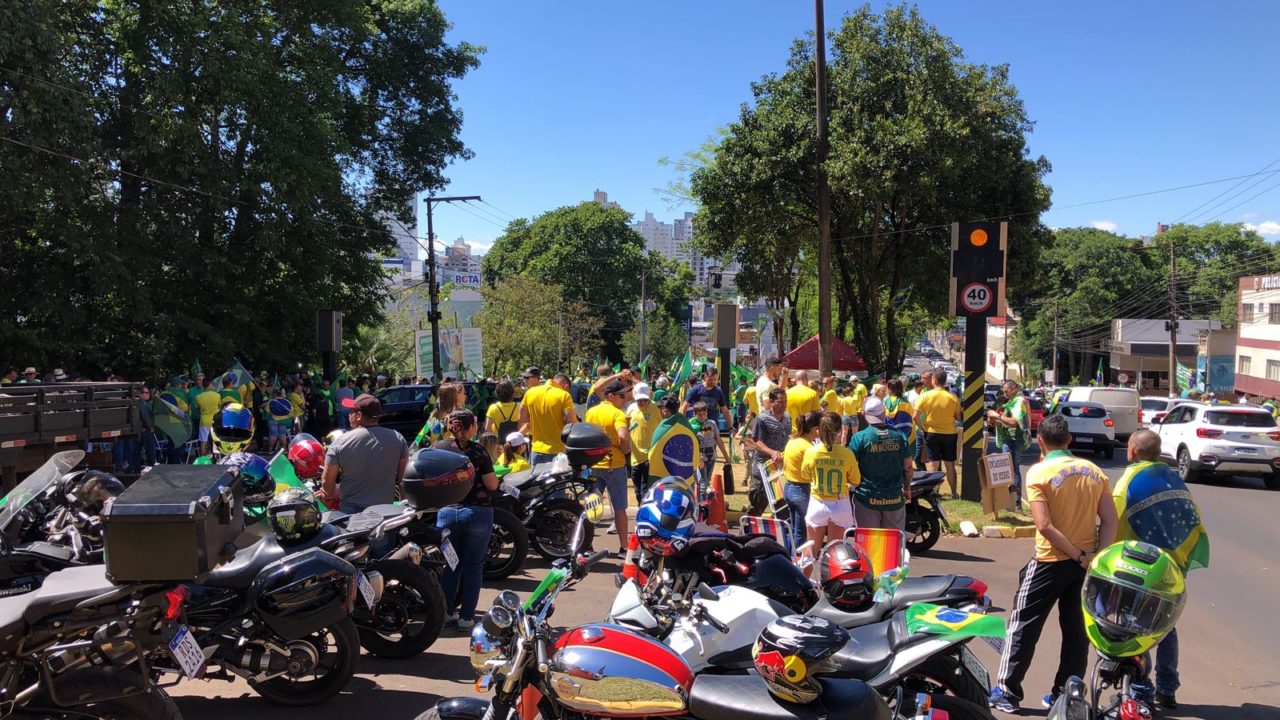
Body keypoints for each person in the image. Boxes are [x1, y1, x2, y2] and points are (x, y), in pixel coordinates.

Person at [989, 414, 1118, 714]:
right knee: (1077, 632)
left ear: (1040, 441)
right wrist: (1096, 559)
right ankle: (1065, 693)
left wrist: (1076, 554)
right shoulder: (1094, 472)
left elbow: (1044, 525)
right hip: (1085, 565)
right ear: (1070, 439)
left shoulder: (1039, 473)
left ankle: (1007, 691)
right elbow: (1110, 520)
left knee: (1023, 624)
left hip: (1050, 560)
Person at [1112, 429, 1210, 710]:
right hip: (1171, 566)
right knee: (1165, 625)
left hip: (1139, 567)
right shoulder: (1174, 479)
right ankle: (1167, 689)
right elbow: (1192, 519)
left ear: (1131, 452)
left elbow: (1117, 520)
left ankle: (1142, 692)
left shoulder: (1130, 480)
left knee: (1136, 625)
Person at [434, 409, 500, 630]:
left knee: (451, 565)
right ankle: (467, 617)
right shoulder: (479, 450)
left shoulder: (438, 449)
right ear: (471, 427)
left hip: (446, 513)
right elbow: (492, 485)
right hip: (477, 513)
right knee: (473, 566)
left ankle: (446, 612)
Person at [320, 394, 409, 514]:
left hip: (350, 514)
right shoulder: (398, 439)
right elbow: (403, 479)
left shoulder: (340, 442)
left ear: (359, 416)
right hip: (386, 513)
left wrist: (326, 493)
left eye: (351, 411)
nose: (349, 414)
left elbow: (327, 485)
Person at [847, 397, 913, 529]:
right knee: (893, 542)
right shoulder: (900, 436)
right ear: (884, 413)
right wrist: (907, 488)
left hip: (867, 498)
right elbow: (909, 467)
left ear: (865, 415)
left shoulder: (859, 438)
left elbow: (850, 467)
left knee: (868, 543)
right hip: (894, 497)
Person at [585, 381, 632, 555]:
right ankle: (623, 547)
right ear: (610, 396)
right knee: (620, 508)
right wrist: (625, 448)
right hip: (615, 465)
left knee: (592, 506)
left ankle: (587, 545)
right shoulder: (617, 413)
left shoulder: (591, 412)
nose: (625, 399)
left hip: (594, 464)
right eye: (621, 396)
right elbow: (623, 436)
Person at [802, 412, 860, 552]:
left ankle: (802, 575)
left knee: (810, 551)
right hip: (840, 504)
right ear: (840, 430)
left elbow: (805, 475)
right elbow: (856, 480)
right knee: (835, 551)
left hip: (818, 502)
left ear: (819, 430)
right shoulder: (847, 454)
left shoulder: (811, 452)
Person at [745, 387, 791, 516]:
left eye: (785, 401)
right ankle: (748, 531)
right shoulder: (762, 419)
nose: (783, 405)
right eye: (780, 402)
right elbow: (756, 441)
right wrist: (771, 452)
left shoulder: (787, 418)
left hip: (780, 468)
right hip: (763, 467)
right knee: (757, 502)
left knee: (782, 505)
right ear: (771, 402)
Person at [915, 369, 961, 495]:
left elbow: (915, 416)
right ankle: (954, 493)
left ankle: (932, 492)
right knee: (950, 464)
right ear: (944, 381)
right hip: (950, 433)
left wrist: (923, 428)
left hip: (931, 432)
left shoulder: (925, 395)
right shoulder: (953, 397)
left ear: (934, 380)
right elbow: (958, 418)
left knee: (932, 464)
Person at [987, 380, 1032, 508]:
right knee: (1011, 469)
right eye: (1003, 390)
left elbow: (1014, 422)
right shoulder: (1010, 402)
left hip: (1014, 439)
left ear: (1015, 389)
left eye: (1006, 390)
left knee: (1013, 470)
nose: (1004, 393)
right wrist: (994, 421)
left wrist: (998, 417)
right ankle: (1011, 500)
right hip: (1009, 438)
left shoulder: (1019, 402)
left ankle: (1015, 501)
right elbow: (1007, 421)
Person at [781, 411, 822, 549]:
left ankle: (788, 554)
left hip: (789, 487)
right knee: (800, 532)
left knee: (794, 529)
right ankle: (793, 561)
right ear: (814, 429)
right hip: (801, 490)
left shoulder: (793, 440)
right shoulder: (809, 448)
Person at [645, 394, 701, 494]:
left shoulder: (664, 427)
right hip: (685, 480)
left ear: (665, 410)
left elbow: (652, 452)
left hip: (663, 481)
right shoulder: (687, 425)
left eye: (661, 408)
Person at [519, 373, 578, 466]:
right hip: (558, 453)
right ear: (566, 386)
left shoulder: (530, 393)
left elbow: (522, 420)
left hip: (536, 450)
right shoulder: (564, 395)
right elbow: (572, 425)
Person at [627, 383, 661, 504]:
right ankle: (641, 508)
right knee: (637, 491)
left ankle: (644, 511)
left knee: (645, 489)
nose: (642, 403)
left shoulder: (657, 408)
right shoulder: (630, 409)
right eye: (639, 400)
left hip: (650, 456)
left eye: (645, 400)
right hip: (634, 457)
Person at [690, 401, 728, 497]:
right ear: (695, 414)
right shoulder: (691, 425)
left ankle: (703, 504)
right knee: (702, 483)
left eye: (704, 414)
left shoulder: (712, 424)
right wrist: (697, 457)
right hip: (700, 457)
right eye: (699, 414)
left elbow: (718, 440)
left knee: (706, 482)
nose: (702, 416)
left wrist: (726, 457)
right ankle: (701, 507)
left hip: (712, 456)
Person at [415, 382, 465, 448]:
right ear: (455, 397)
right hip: (452, 454)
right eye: (463, 393)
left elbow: (421, 435)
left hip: (435, 453)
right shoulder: (459, 416)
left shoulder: (435, 414)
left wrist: (413, 448)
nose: (465, 396)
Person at [194, 379, 222, 456]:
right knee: (216, 441)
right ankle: (217, 458)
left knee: (203, 442)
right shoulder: (217, 395)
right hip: (215, 421)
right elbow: (220, 406)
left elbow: (197, 409)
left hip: (204, 421)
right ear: (210, 385)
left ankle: (202, 460)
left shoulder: (198, 397)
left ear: (203, 385)